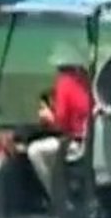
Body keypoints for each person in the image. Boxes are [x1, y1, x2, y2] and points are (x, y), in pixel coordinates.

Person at [27, 42, 93, 201]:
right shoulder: (85, 81)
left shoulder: (65, 83)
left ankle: (56, 196)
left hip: (76, 143)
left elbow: (61, 122)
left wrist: (48, 117)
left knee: (34, 151)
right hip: (88, 139)